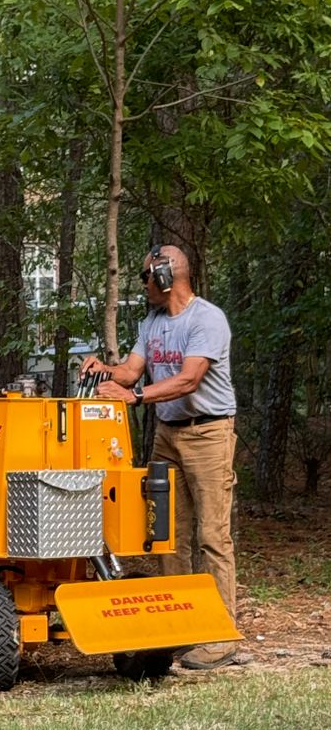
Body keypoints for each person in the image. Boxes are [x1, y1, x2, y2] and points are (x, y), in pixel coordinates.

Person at [80, 244, 238, 670]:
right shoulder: (152, 323)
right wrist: (104, 370)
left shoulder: (207, 319)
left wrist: (132, 396)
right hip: (167, 435)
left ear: (167, 277)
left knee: (213, 536)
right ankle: (181, 627)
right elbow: (131, 372)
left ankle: (221, 636)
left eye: (147, 276)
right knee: (168, 535)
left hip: (207, 433)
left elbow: (188, 380)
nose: (144, 284)